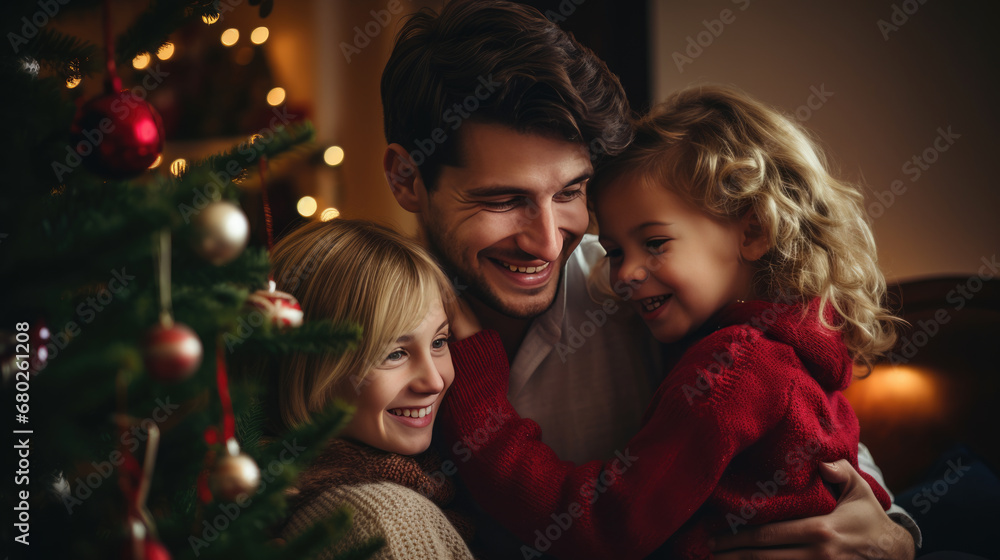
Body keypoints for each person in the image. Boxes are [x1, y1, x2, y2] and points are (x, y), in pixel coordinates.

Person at [381, 1, 919, 556]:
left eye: (570, 193)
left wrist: (895, 533)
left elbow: (820, 439)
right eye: (503, 199)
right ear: (406, 178)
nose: (548, 242)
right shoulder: (357, 317)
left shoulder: (646, 296)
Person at [267, 219, 474, 559]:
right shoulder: (389, 521)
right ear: (307, 367)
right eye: (394, 353)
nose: (434, 381)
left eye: (439, 341)